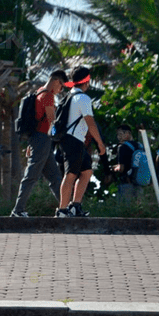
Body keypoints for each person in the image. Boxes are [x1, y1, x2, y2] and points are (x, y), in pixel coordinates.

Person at [10, 70, 66, 217]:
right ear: (56, 81)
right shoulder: (47, 96)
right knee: (31, 176)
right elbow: (52, 120)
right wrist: (60, 137)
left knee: (55, 178)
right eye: (61, 86)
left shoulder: (39, 92)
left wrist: (32, 143)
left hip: (38, 139)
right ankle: (18, 210)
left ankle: (65, 209)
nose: (61, 90)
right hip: (42, 139)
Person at [55, 67, 106, 217]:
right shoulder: (83, 98)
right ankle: (62, 210)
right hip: (74, 140)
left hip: (71, 140)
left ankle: (75, 206)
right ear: (86, 82)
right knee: (71, 174)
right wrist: (100, 143)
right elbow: (90, 122)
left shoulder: (69, 96)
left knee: (86, 171)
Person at [114, 124, 142, 202]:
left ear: (128, 133)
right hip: (139, 181)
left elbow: (121, 168)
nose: (118, 137)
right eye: (117, 135)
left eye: (120, 134)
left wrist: (114, 168)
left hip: (126, 182)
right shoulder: (140, 146)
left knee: (125, 209)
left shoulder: (122, 147)